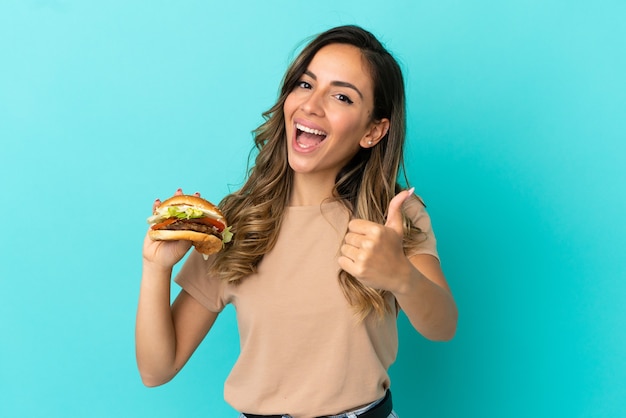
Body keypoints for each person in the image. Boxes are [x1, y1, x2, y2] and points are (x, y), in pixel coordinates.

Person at [135, 25, 458, 418]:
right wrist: (156, 268)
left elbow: (443, 326)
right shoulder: (237, 223)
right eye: (305, 85)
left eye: (341, 96)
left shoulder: (394, 215)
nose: (312, 105)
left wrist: (399, 275)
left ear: (373, 131)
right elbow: (157, 369)